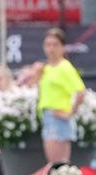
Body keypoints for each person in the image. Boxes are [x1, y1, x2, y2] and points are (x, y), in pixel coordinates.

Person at [36, 27, 85, 163]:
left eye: (55, 45)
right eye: (48, 45)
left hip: (58, 117)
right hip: (47, 116)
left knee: (58, 166)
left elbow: (81, 92)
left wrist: (70, 112)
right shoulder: (46, 68)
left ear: (62, 47)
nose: (51, 49)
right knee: (56, 166)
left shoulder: (65, 68)